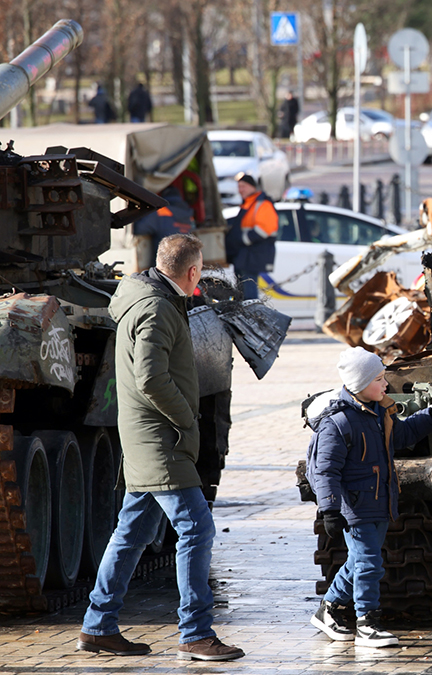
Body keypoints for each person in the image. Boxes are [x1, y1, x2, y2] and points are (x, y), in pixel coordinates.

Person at [78, 234, 245, 662]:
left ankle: (98, 626)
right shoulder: (155, 308)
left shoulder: (147, 298)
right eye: (201, 270)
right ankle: (195, 633)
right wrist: (186, 418)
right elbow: (151, 377)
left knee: (131, 532)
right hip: (161, 439)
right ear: (192, 272)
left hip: (148, 436)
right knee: (197, 528)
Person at [305, 347, 432, 647]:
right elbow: (325, 469)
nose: (385, 384)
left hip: (380, 500)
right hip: (355, 505)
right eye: (379, 379)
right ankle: (367, 622)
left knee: (359, 560)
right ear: (359, 384)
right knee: (369, 562)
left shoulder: (378, 413)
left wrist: (431, 417)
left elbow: (402, 436)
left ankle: (328, 609)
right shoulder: (338, 423)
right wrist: (329, 509)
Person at [226, 173, 278, 300]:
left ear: (252, 187)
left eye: (243, 186)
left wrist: (241, 240)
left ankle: (251, 316)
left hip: (252, 255)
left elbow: (265, 229)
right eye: (239, 186)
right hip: (245, 255)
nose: (240, 190)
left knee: (248, 294)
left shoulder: (262, 203)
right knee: (242, 292)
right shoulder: (249, 203)